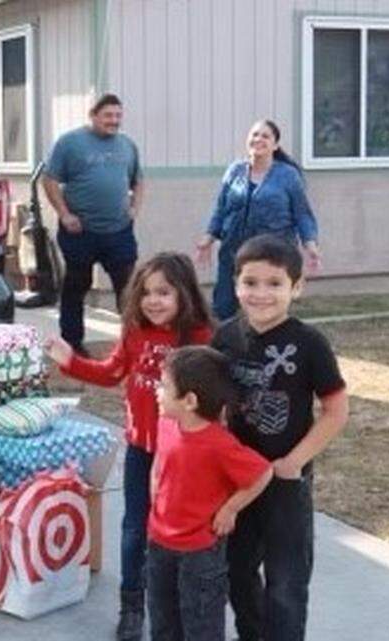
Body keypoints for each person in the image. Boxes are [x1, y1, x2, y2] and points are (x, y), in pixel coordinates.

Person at [45, 252, 212, 641]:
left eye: (164, 292)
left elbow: (213, 399)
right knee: (136, 528)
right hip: (141, 450)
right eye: (146, 292)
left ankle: (181, 604)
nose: (153, 301)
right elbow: (111, 372)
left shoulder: (200, 337)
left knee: (182, 532)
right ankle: (131, 605)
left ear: (184, 295)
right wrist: (71, 360)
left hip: (183, 458)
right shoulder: (136, 333)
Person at [211, 235, 349, 641]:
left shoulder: (308, 343)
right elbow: (211, 402)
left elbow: (336, 411)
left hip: (286, 482)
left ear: (297, 287)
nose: (261, 294)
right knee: (236, 571)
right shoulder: (226, 338)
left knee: (286, 583)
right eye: (250, 282)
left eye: (274, 283)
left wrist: (292, 463)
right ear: (235, 283)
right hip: (237, 482)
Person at [148, 346, 272, 641]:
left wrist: (230, 508)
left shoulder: (219, 443)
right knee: (162, 619)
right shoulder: (166, 422)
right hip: (158, 543)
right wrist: (155, 492)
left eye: (164, 385)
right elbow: (160, 463)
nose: (157, 390)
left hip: (200, 552)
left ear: (190, 401)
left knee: (201, 624)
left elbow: (262, 473)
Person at [43, 93, 144, 356]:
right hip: (80, 231)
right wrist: (64, 214)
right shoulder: (70, 143)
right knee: (77, 285)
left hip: (119, 231)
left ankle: (133, 344)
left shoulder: (127, 146)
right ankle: (73, 344)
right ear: (93, 115)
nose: (114, 121)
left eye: (118, 116)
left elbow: (138, 180)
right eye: (108, 115)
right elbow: (50, 180)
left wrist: (135, 208)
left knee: (129, 288)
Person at [195, 119, 321, 321]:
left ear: (275, 145)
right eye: (254, 135)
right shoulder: (235, 170)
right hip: (233, 252)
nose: (258, 139)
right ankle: (222, 350)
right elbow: (220, 208)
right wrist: (208, 237)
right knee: (223, 307)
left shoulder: (288, 175)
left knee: (267, 308)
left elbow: (302, 213)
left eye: (265, 136)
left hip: (273, 254)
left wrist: (310, 244)